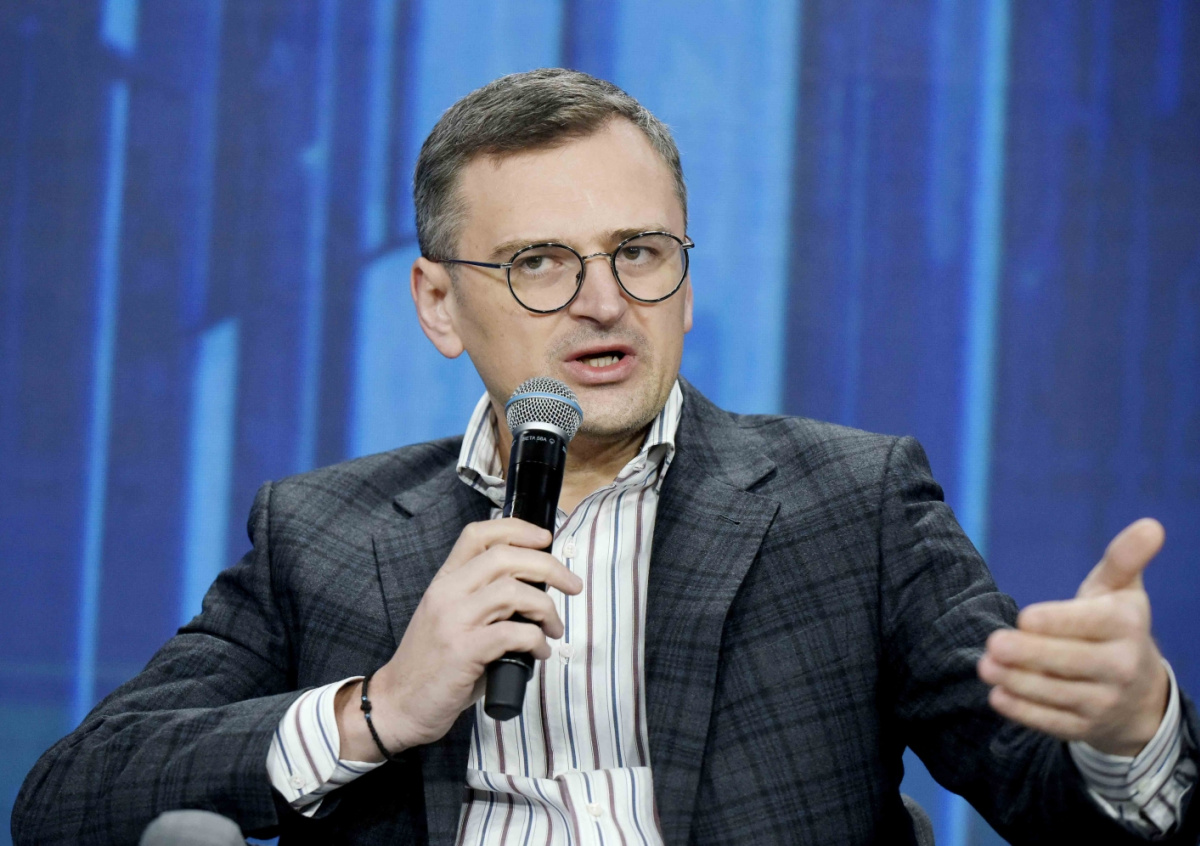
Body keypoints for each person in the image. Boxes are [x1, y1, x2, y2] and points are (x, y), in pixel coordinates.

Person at [13, 68, 1199, 845]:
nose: (603, 302)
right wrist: (382, 707)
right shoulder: (321, 533)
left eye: (639, 251)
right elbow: (69, 799)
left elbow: (1050, 801)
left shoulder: (852, 504)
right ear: (438, 304)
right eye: (539, 262)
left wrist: (1127, 727)